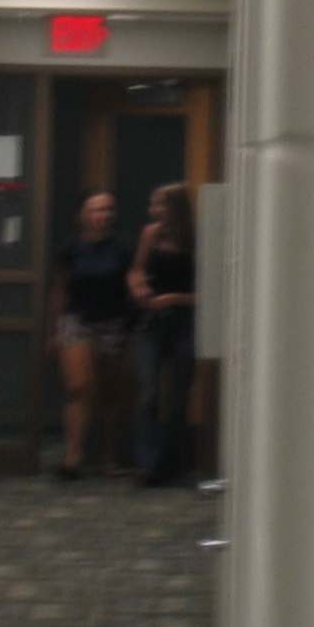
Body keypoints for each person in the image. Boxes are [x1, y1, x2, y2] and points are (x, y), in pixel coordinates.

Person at [50, 191, 137, 478]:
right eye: (97, 210)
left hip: (114, 323)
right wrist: (54, 329)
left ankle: (108, 456)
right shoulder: (71, 248)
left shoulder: (123, 247)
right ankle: (73, 456)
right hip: (78, 320)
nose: (103, 215)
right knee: (78, 388)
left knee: (110, 393)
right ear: (83, 215)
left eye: (108, 209)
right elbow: (60, 289)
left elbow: (133, 283)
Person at [129, 183, 198, 487]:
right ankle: (148, 463)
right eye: (153, 204)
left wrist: (171, 299)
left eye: (160, 204)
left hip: (185, 319)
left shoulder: (196, 239)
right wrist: (139, 287)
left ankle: (173, 463)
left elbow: (209, 292)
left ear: (176, 207)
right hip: (152, 321)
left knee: (180, 395)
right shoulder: (151, 234)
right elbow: (136, 270)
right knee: (149, 391)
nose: (154, 210)